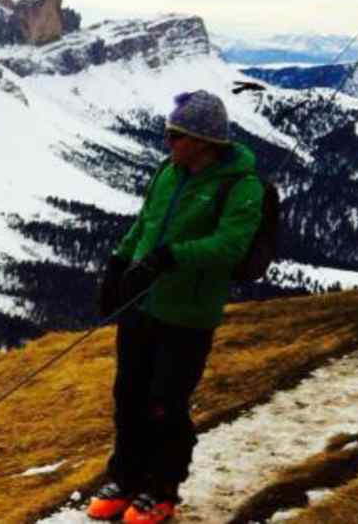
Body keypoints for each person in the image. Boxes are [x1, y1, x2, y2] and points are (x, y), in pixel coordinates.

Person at [87, 90, 265, 523]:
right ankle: (125, 476)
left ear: (204, 141)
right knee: (128, 394)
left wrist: (172, 256)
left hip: (188, 314)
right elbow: (143, 223)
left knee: (165, 402)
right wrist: (118, 263)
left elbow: (231, 245)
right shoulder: (168, 173)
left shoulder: (241, 186)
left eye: (176, 136)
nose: (168, 143)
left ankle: (162, 488)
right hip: (143, 306)